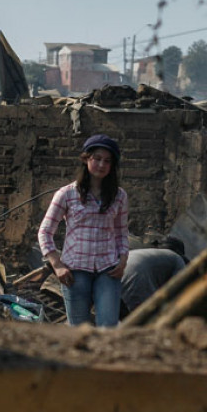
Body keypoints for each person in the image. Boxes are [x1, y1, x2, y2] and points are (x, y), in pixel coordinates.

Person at [38, 134, 129, 327]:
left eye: (107, 161)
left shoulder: (119, 196)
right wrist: (57, 265)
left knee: (108, 326)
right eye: (97, 158)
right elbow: (45, 231)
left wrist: (123, 260)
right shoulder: (67, 194)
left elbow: (121, 233)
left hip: (108, 269)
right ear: (86, 159)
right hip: (75, 271)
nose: (101, 165)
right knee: (80, 329)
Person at [120, 236, 189, 314]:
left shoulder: (148, 252)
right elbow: (176, 290)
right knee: (146, 317)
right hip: (136, 278)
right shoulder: (178, 260)